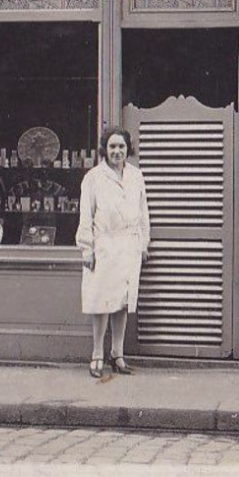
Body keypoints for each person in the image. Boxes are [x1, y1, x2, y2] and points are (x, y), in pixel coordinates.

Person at [76, 126, 150, 378]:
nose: (117, 151)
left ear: (128, 149)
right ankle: (97, 353)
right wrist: (87, 248)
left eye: (121, 146)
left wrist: (143, 244)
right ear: (104, 150)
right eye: (112, 146)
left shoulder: (136, 176)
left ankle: (117, 353)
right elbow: (86, 214)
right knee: (101, 302)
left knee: (122, 302)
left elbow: (143, 212)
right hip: (104, 246)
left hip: (128, 246)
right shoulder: (94, 178)